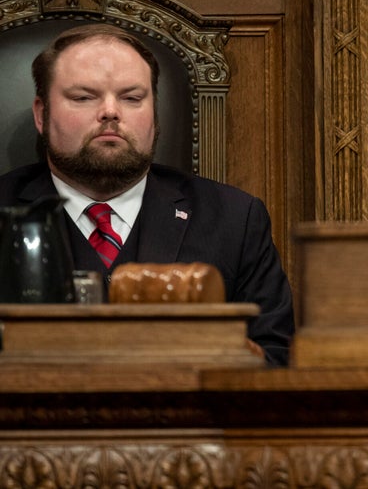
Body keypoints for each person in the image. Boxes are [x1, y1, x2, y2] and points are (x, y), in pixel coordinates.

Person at [0, 23, 295, 366]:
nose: (110, 112)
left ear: (154, 115)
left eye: (132, 98)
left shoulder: (234, 219)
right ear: (41, 114)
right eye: (83, 97)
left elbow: (278, 362)